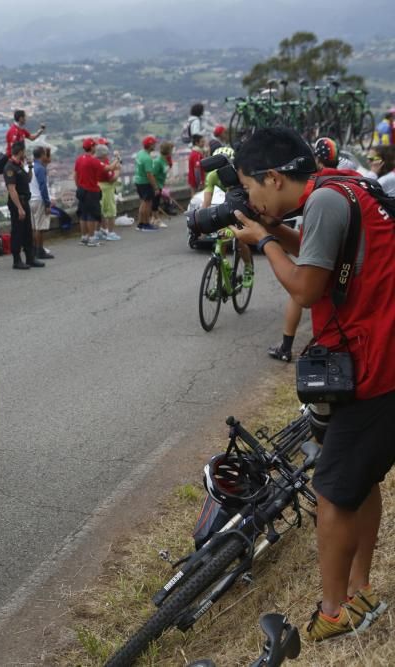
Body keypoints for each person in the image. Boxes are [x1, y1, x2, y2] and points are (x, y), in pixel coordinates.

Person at [232, 127, 395, 641]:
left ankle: (334, 612)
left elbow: (306, 285)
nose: (253, 201)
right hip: (382, 355)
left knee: (329, 490)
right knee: (359, 481)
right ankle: (359, 589)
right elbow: (324, 254)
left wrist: (261, 241)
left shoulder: (324, 199)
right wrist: (276, 233)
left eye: (251, 189)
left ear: (274, 177)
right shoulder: (343, 185)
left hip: (376, 363)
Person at [268, 138, 370, 364]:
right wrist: (270, 227)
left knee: (298, 287)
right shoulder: (349, 180)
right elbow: (312, 250)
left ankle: (286, 345)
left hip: (356, 350)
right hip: (363, 333)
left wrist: (263, 239)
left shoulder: (324, 197)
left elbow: (305, 292)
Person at [201, 147, 254, 288]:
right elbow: (206, 201)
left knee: (240, 238)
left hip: (241, 201)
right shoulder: (212, 176)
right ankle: (221, 270)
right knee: (221, 239)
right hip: (227, 201)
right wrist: (201, 221)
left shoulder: (238, 173)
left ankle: (248, 267)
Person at [74, 138, 119, 246]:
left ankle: (84, 237)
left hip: (81, 189)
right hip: (91, 190)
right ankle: (92, 238)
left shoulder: (79, 159)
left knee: (83, 215)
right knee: (91, 215)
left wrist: (79, 186)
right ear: (92, 147)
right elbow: (109, 168)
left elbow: (75, 175)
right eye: (95, 146)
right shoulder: (94, 161)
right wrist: (117, 159)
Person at [4, 142, 41, 269]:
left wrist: (30, 167)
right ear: (20, 152)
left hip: (25, 201)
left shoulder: (19, 166)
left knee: (27, 231)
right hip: (17, 203)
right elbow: (12, 189)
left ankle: (30, 257)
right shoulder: (10, 168)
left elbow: (28, 180)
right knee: (17, 232)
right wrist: (19, 208)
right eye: (24, 152)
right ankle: (17, 260)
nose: (25, 154)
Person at [30, 146, 54, 258]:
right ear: (42, 155)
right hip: (39, 199)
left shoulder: (29, 166)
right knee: (40, 228)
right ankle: (40, 251)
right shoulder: (40, 168)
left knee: (34, 227)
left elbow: (47, 161)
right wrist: (47, 203)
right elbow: (43, 186)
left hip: (31, 199)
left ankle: (35, 250)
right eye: (45, 154)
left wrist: (47, 151)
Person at [96, 143, 121, 241]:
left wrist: (116, 160)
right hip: (107, 189)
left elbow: (110, 167)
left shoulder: (96, 162)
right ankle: (110, 232)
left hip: (99, 187)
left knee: (101, 211)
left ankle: (100, 231)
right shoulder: (103, 165)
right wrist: (118, 170)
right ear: (104, 155)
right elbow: (112, 178)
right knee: (111, 211)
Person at [134, 136, 159, 231]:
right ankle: (145, 223)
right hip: (145, 182)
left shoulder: (140, 154)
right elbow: (149, 174)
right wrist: (155, 187)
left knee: (143, 203)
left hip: (138, 181)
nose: (155, 145)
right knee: (147, 203)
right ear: (150, 145)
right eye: (154, 144)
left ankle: (140, 223)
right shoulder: (147, 158)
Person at [151, 141, 174, 228]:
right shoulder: (158, 161)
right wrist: (156, 187)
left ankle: (153, 219)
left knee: (156, 203)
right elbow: (153, 174)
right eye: (171, 150)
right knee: (155, 204)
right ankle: (157, 220)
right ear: (168, 151)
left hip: (160, 184)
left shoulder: (164, 159)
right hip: (156, 185)